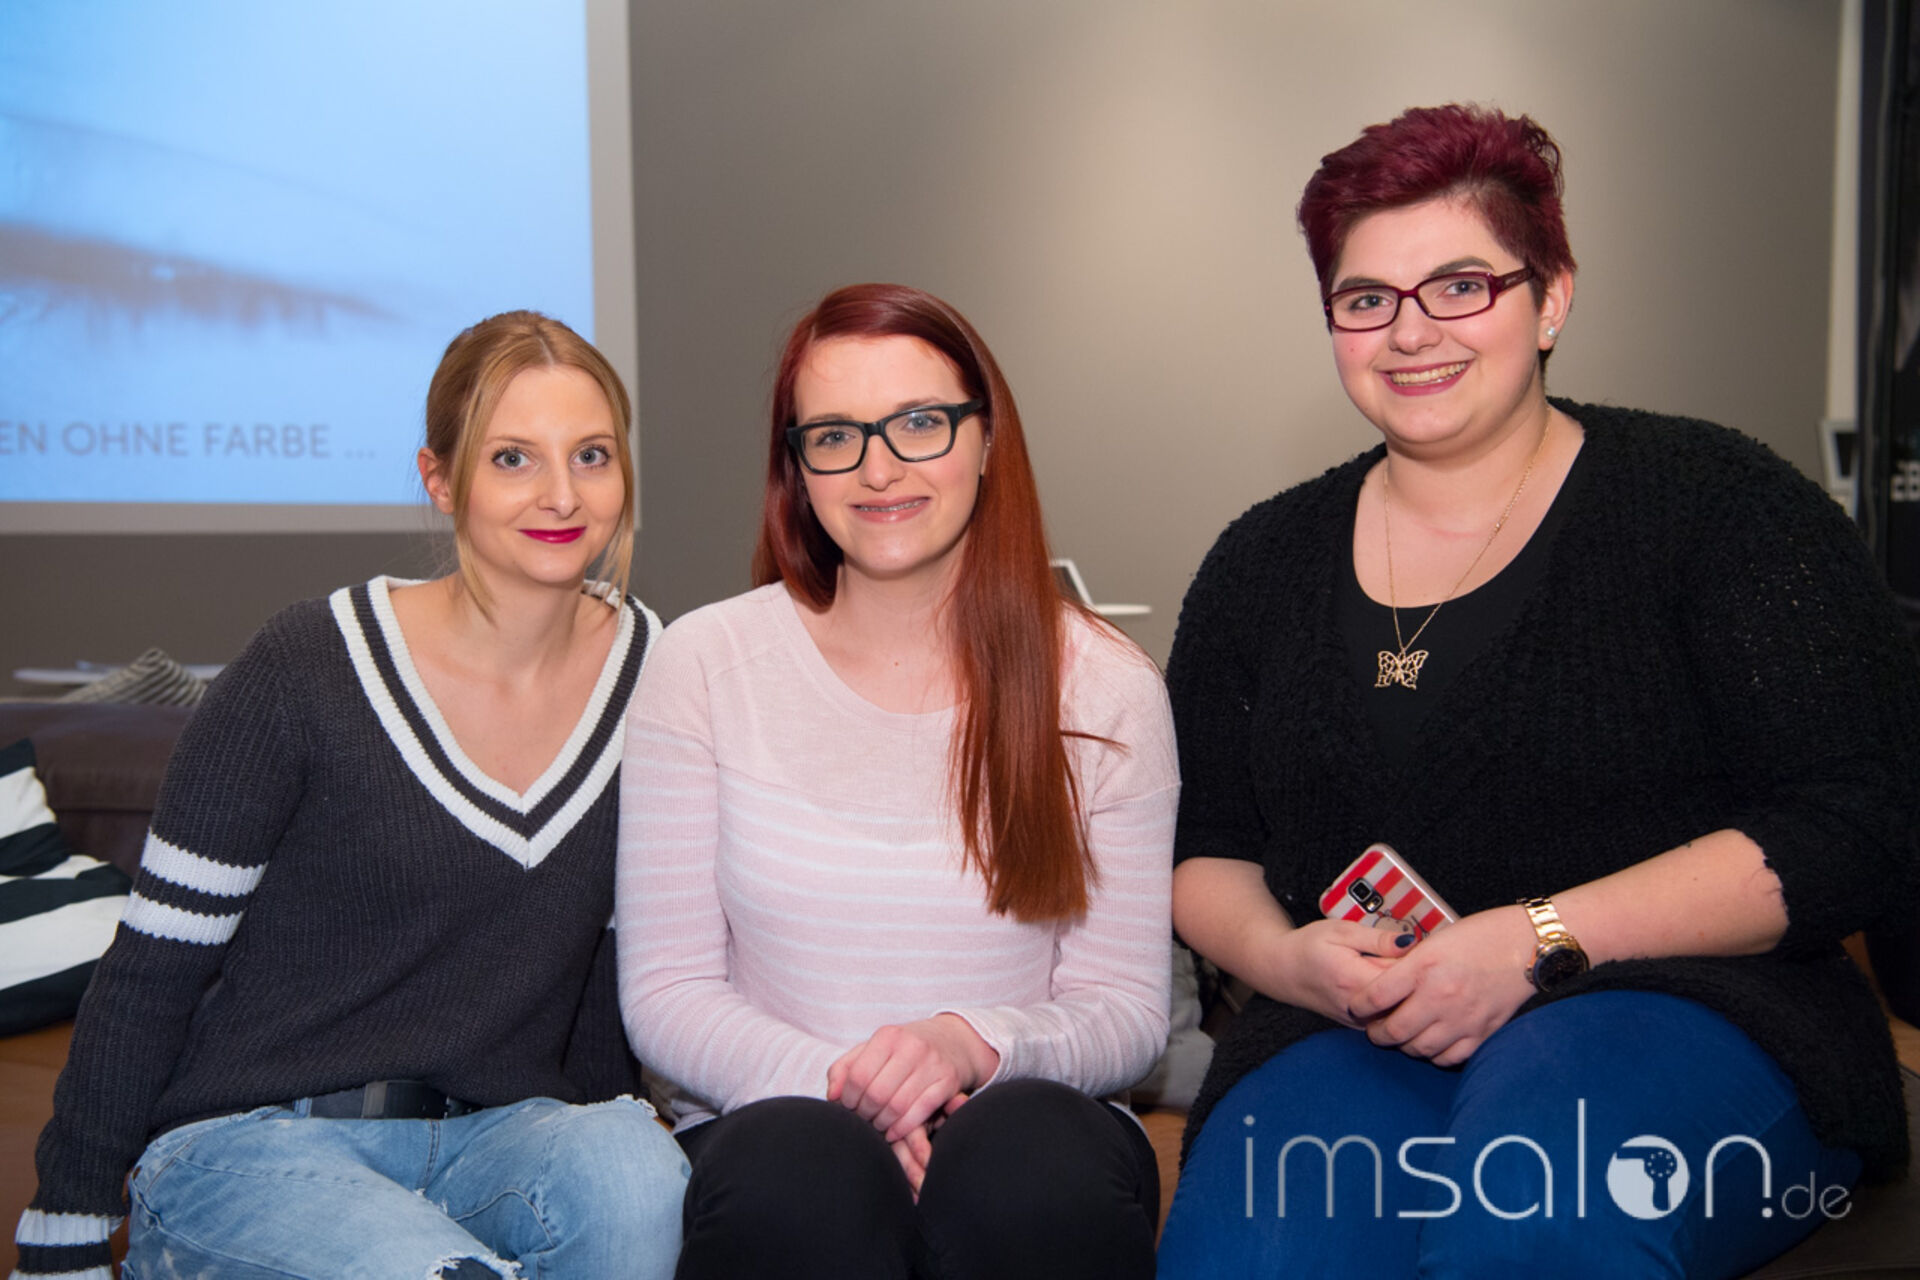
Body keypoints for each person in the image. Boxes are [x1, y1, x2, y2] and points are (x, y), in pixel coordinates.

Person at [1154, 105, 1920, 1278]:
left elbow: (1857, 819)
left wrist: (1535, 939)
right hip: (1357, 1029)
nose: (1411, 331)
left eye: (1461, 285)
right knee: (1252, 1256)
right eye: (1367, 298)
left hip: (1693, 1008)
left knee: (1534, 1221)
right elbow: (1206, 847)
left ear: (1552, 297)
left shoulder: (1720, 507)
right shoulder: (1261, 562)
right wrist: (1287, 958)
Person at [11, 311, 688, 1280]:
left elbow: (605, 969)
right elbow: (155, 961)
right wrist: (67, 1224)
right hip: (257, 1144)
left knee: (637, 1171)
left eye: (592, 455)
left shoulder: (659, 671)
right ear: (439, 479)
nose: (562, 494)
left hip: (497, 1142)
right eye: (512, 458)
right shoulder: (305, 665)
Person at [615, 283, 1178, 1279]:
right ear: (798, 466)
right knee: (803, 1174)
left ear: (987, 438)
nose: (878, 468)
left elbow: (1127, 1012)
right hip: (775, 1125)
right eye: (835, 435)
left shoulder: (1108, 686)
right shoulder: (701, 664)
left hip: (1033, 1131)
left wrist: (965, 1046)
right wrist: (852, 1087)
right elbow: (668, 991)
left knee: (1024, 1163)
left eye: (919, 423)